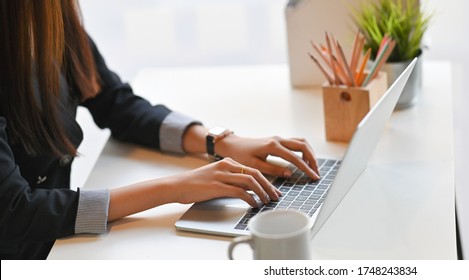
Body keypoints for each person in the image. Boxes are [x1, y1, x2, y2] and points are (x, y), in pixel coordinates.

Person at [0, 0, 320, 259]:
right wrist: (175, 188)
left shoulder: (49, 17)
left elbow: (115, 103)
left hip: (60, 246)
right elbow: (15, 212)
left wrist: (219, 141)